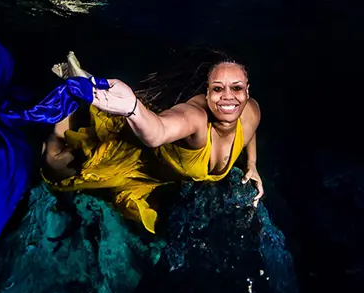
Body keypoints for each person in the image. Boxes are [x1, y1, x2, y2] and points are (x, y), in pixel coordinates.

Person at [43, 54, 263, 233]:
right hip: (139, 154)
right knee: (54, 163)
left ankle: (89, 87)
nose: (228, 97)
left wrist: (251, 164)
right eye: (217, 89)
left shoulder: (250, 114)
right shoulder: (195, 118)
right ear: (207, 93)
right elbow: (157, 133)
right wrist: (132, 108)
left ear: (247, 92)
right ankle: (69, 90)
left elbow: (248, 132)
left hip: (155, 177)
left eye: (236, 88)